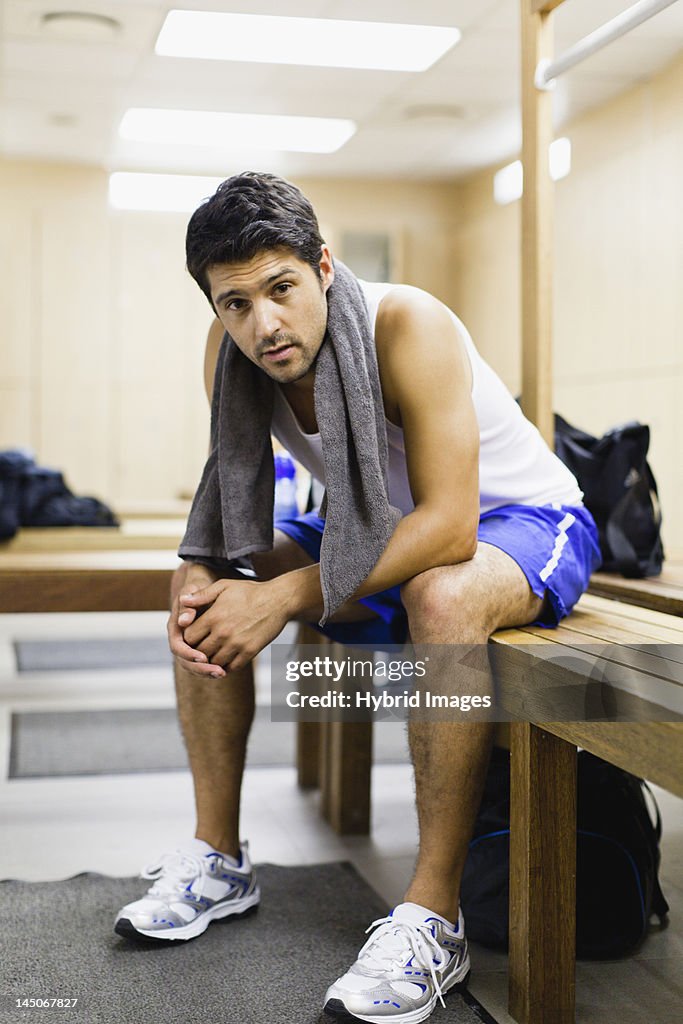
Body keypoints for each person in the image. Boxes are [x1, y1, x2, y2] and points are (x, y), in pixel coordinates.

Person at [114, 172, 601, 1023]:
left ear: (323, 268)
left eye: (280, 289)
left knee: (440, 597)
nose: (263, 324)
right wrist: (222, 577)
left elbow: (450, 527)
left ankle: (430, 916)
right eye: (235, 304)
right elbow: (232, 513)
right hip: (372, 528)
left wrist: (290, 594)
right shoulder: (229, 358)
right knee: (201, 582)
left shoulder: (406, 324)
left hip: (520, 519)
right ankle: (218, 856)